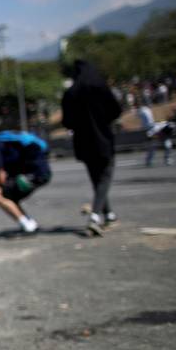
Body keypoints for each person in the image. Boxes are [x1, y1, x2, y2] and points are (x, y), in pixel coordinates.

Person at [60, 60, 122, 236]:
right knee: (105, 176)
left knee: (97, 179)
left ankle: (109, 214)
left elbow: (67, 122)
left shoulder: (71, 92)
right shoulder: (99, 86)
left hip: (83, 142)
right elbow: (115, 111)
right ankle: (95, 216)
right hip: (102, 138)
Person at [0, 128, 51, 233]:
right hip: (40, 172)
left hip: (35, 174)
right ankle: (30, 223)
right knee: (9, 195)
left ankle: (28, 226)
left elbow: (0, 179)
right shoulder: (1, 143)